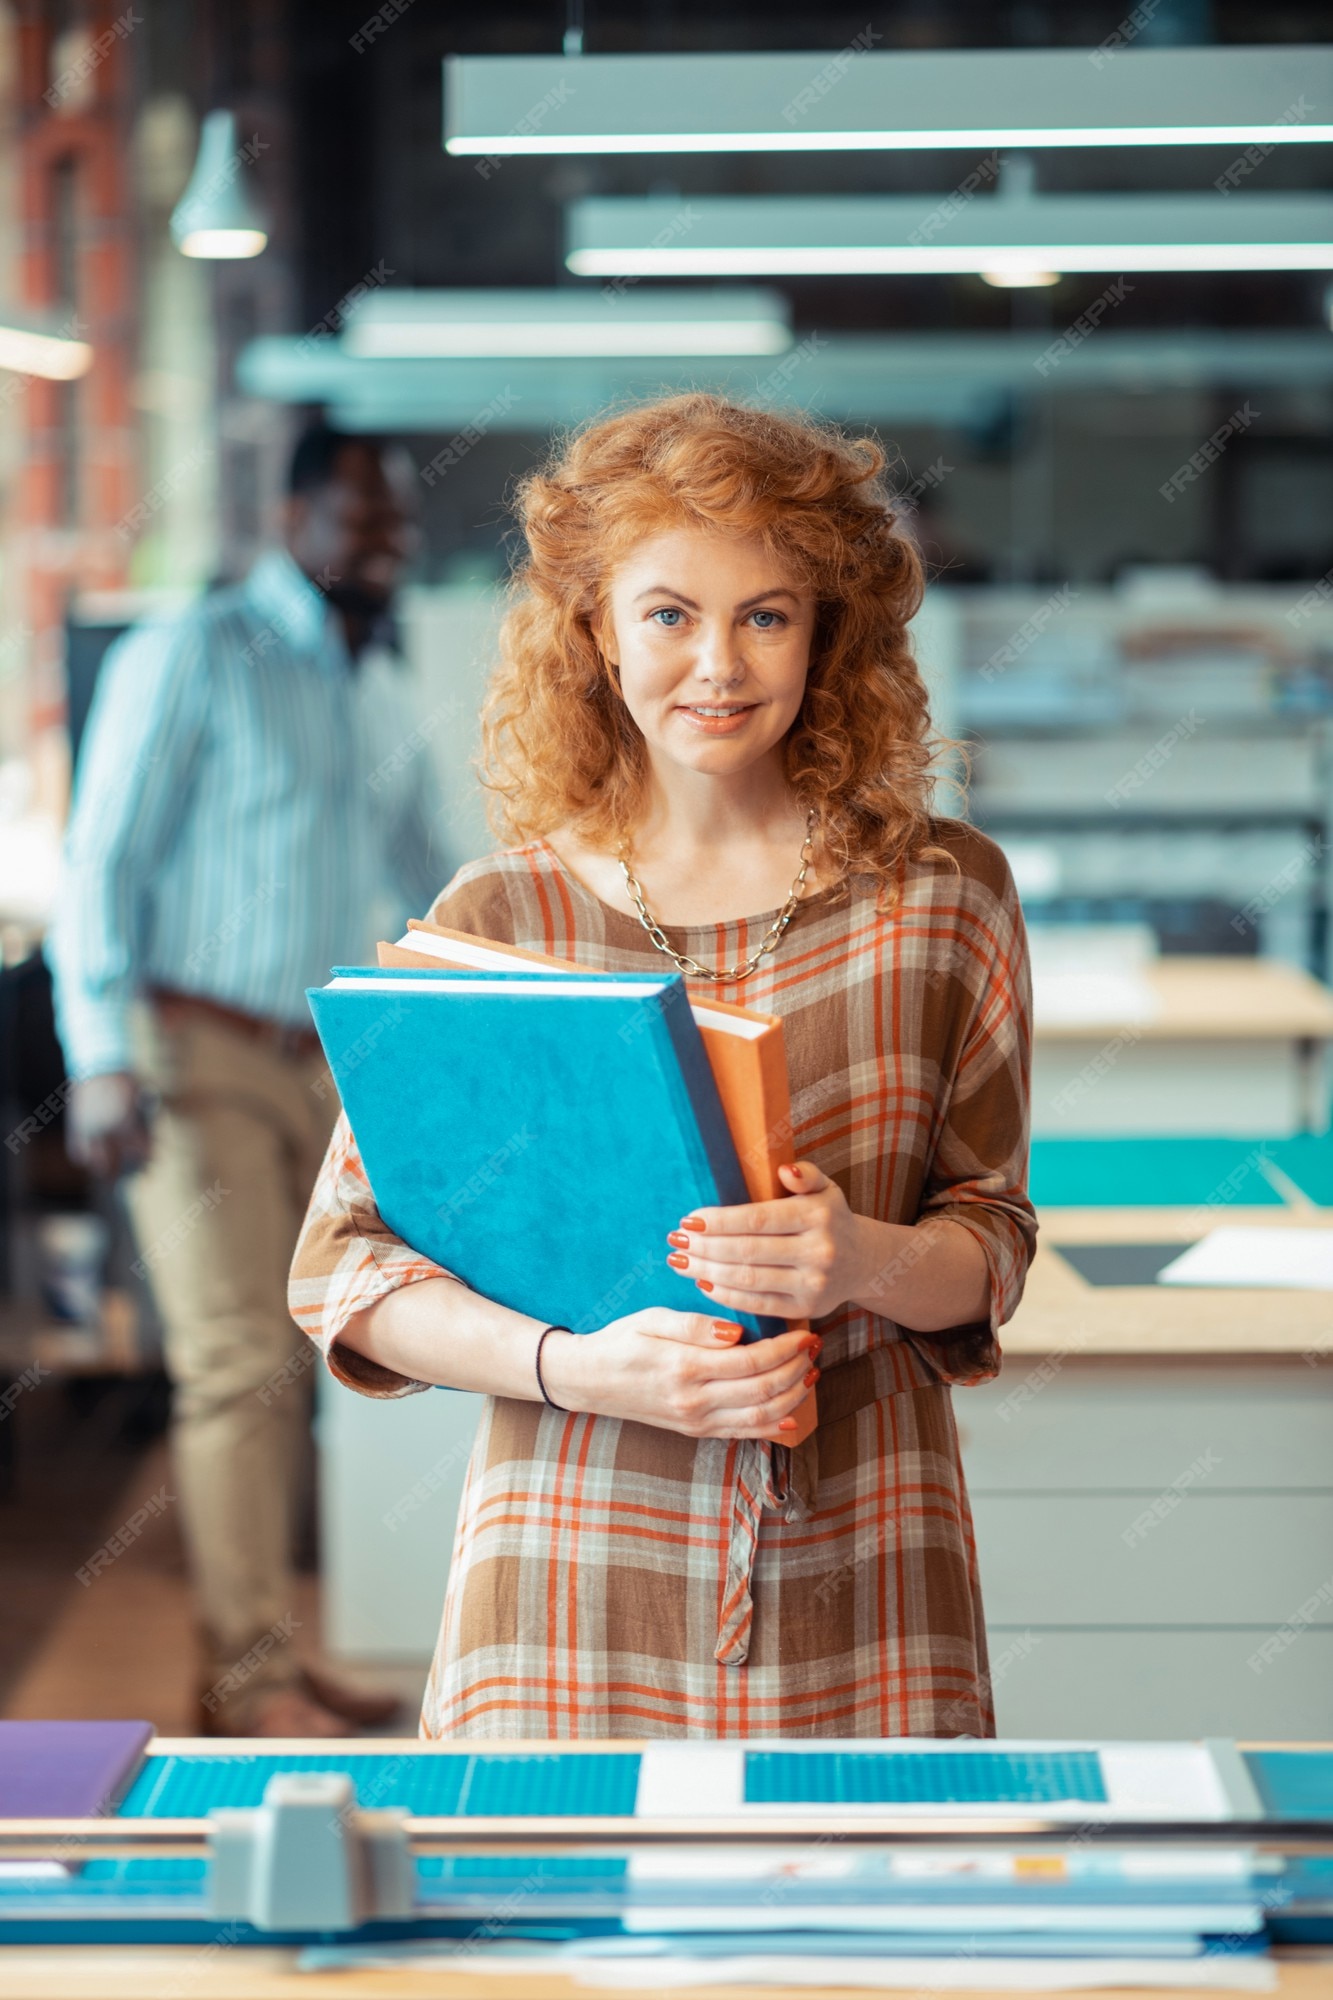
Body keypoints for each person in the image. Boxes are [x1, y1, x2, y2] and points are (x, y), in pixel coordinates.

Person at [289, 392, 1037, 1740]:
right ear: (594, 631)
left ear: (825, 631)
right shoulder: (495, 921)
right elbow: (345, 1272)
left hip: (863, 1543)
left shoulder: (945, 896)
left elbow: (989, 1237)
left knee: (877, 1944)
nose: (719, 665)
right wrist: (580, 1367)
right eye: (668, 614)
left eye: (765, 613)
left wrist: (856, 1259)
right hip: (567, 1546)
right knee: (550, 1940)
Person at [48, 424, 447, 1736]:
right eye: (357, 524)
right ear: (294, 519)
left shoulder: (374, 687)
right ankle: (248, 1683)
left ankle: (265, 1653)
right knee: (234, 1364)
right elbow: (98, 863)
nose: (379, 549)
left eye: (394, 529)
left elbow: (438, 874)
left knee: (306, 1359)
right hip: (191, 1053)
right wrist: (99, 1057)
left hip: (324, 1067)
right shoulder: (196, 655)